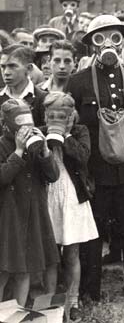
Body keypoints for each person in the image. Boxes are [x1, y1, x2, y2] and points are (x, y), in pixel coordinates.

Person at [67, 14, 124, 300]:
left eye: (115, 38)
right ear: (92, 45)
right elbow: (74, 127)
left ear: (122, 41)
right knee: (94, 232)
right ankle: (91, 288)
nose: (108, 45)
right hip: (95, 171)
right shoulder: (77, 82)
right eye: (100, 38)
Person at [41, 92, 98, 320]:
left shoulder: (79, 131)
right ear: (45, 116)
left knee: (72, 252)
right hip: (47, 196)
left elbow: (83, 157)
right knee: (50, 253)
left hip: (72, 197)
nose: (56, 120)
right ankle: (51, 299)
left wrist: (64, 136)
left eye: (62, 116)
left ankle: (72, 300)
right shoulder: (40, 132)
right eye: (51, 116)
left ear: (71, 117)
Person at [0, 99, 59, 306]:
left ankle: (17, 311)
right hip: (9, 215)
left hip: (33, 212)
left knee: (24, 268)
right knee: (4, 269)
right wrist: (17, 152)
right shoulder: (2, 145)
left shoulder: (35, 146)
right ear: (6, 124)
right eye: (19, 122)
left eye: (28, 122)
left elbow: (53, 176)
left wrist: (44, 151)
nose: (25, 129)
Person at [0, 46, 47, 127]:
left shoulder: (44, 99)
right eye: (3, 67)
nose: (6, 72)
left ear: (29, 68)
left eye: (12, 66)